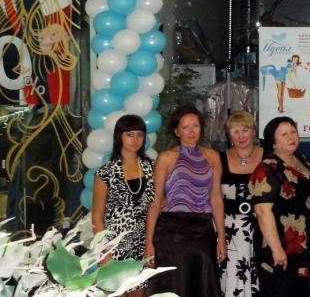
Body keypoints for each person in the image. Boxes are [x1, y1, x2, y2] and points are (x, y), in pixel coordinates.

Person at [145, 106, 225, 297]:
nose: (191, 131)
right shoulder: (165, 158)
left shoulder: (213, 157)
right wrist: (148, 243)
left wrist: (221, 237)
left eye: (195, 126)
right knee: (174, 287)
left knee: (203, 286)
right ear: (176, 131)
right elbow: (155, 202)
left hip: (202, 230)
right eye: (185, 127)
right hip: (171, 232)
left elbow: (216, 198)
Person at [250, 116, 310, 296]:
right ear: (273, 141)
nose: (291, 137)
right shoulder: (267, 167)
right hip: (280, 246)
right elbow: (262, 212)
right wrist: (276, 249)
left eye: (293, 132)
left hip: (304, 245)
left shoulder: (304, 159)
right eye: (284, 134)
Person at [92, 114, 155, 297]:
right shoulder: (106, 172)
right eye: (130, 134)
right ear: (119, 136)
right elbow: (97, 216)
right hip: (114, 244)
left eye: (140, 134)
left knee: (139, 294)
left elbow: (158, 203)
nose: (135, 139)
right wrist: (104, 251)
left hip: (143, 243)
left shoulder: (152, 167)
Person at [218, 111, 263, 297]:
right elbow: (213, 197)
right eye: (235, 131)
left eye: (245, 130)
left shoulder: (268, 157)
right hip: (229, 230)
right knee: (231, 280)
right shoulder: (218, 159)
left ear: (254, 131)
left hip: (263, 227)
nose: (241, 136)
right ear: (228, 135)